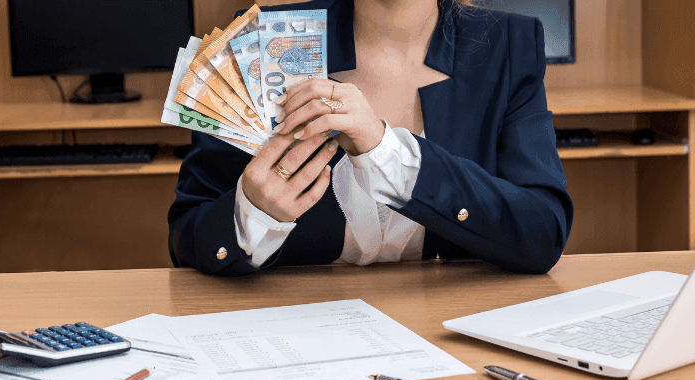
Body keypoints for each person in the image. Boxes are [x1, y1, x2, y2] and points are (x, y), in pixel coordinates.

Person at [168, 0, 573, 275]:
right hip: (293, 336)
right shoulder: (260, 42)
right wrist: (252, 212)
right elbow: (188, 241)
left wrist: (385, 150)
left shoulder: (510, 44)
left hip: (450, 333)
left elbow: (542, 233)